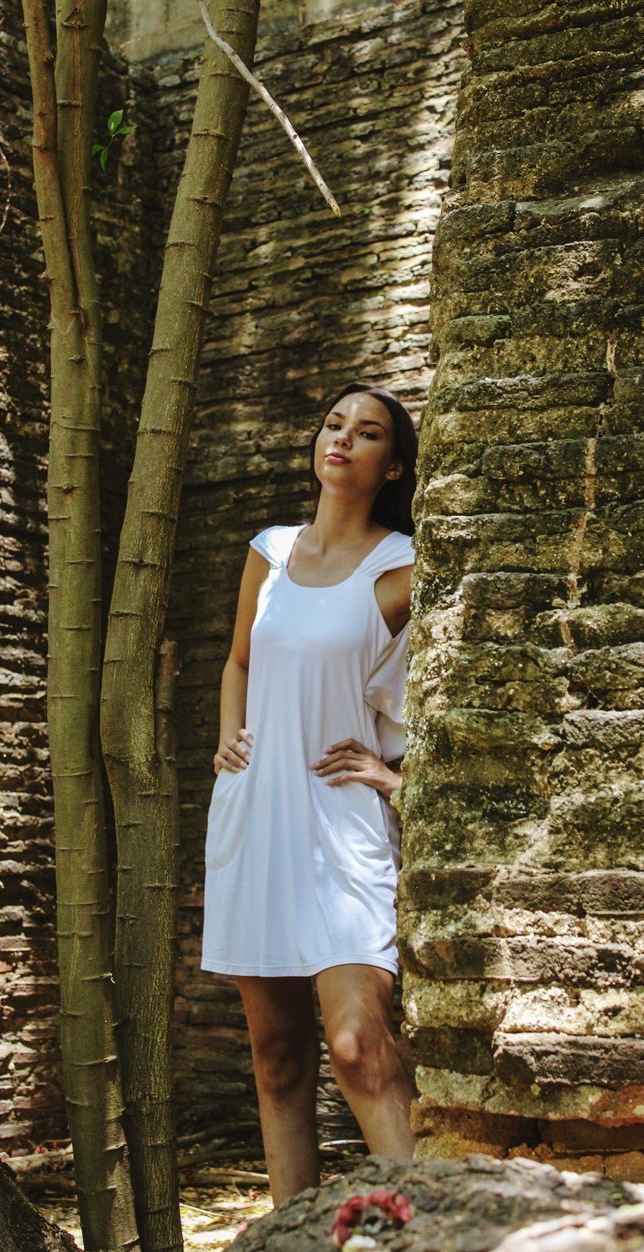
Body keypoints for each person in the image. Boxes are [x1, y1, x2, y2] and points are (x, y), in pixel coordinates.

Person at [200, 381, 419, 1205]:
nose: (341, 440)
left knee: (358, 1044)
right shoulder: (270, 549)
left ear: (391, 465)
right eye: (333, 424)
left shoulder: (402, 569)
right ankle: (294, 1249)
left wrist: (392, 775)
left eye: (366, 434)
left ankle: (426, 1235)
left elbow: (443, 694)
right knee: (276, 1057)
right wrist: (231, 733)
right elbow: (240, 663)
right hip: (256, 812)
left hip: (340, 821)